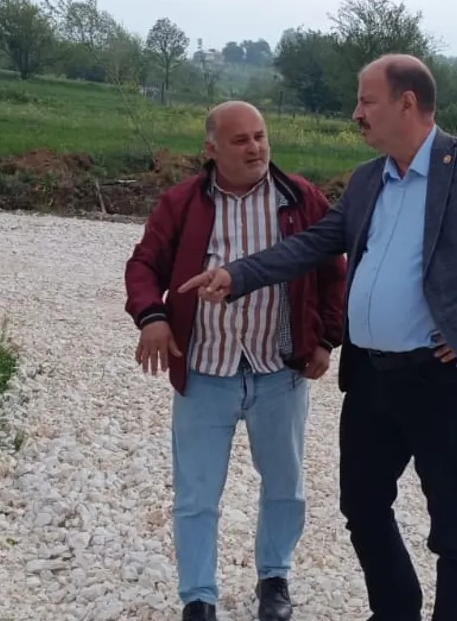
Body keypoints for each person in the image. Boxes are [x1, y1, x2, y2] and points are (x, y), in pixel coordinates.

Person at [180, 55, 457, 621]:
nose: (356, 113)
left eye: (366, 101)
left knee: (451, 523)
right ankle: (396, 612)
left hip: (441, 377)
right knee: (362, 507)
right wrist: (238, 275)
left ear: (406, 103)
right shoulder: (368, 179)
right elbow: (314, 244)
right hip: (370, 378)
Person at [124, 100, 347, 621]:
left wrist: (326, 340)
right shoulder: (182, 203)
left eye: (260, 136)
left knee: (285, 487)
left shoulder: (301, 200)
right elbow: (144, 265)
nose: (255, 148)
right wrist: (152, 316)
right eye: (241, 139)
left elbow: (333, 271)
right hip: (206, 371)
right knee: (196, 494)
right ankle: (198, 598)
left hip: (280, 372)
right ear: (211, 149)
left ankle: (275, 578)